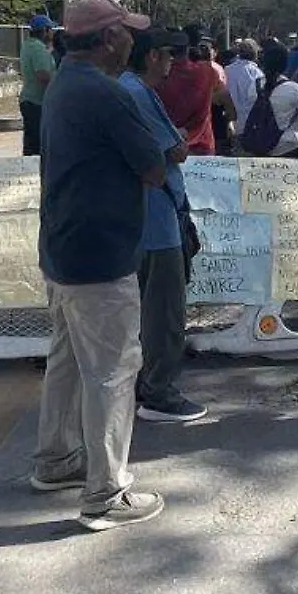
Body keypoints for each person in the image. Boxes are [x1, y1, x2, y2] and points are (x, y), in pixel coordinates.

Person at [33, 0, 168, 532]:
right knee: (113, 373)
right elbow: (154, 167)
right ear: (110, 38)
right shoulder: (108, 94)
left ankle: (57, 458)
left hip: (63, 248)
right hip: (100, 254)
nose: (133, 40)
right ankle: (105, 493)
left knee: (65, 361)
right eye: (127, 31)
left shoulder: (66, 81)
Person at [117, 32, 205, 425]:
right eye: (168, 54)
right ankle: (159, 391)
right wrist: (181, 139)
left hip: (145, 217)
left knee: (148, 309)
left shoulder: (127, 89)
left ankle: (146, 384)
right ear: (150, 56)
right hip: (157, 222)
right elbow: (175, 151)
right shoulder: (138, 93)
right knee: (164, 312)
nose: (173, 62)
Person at [154, 31, 218, 155]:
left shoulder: (156, 76)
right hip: (202, 146)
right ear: (188, 48)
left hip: (168, 146)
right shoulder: (207, 70)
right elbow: (222, 95)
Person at [257, 41, 298, 156]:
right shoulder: (294, 89)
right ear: (285, 65)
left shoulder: (253, 86)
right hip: (289, 147)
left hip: (258, 144)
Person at [17, 15, 55, 156]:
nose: (52, 33)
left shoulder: (27, 45)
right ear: (45, 30)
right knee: (37, 144)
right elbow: (42, 75)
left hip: (28, 98)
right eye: (50, 29)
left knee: (30, 141)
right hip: (36, 102)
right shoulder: (38, 49)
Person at [225, 39, 266, 135]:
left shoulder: (227, 69)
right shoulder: (256, 73)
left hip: (230, 122)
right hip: (249, 124)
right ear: (255, 53)